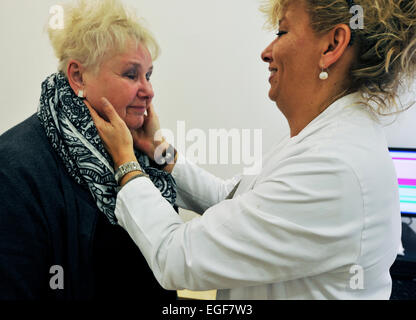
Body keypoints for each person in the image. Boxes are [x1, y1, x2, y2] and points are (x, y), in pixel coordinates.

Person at [88, 0, 416, 300]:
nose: (266, 51)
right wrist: (160, 152)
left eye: (282, 31)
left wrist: (127, 164)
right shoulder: (320, 140)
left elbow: (177, 257)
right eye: (131, 75)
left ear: (332, 45)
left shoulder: (335, 166)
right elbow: (230, 201)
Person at [0, 0, 177, 300]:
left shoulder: (142, 156)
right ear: (78, 77)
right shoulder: (14, 169)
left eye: (148, 75)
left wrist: (161, 155)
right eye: (131, 75)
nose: (148, 90)